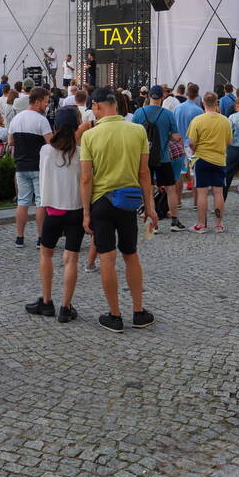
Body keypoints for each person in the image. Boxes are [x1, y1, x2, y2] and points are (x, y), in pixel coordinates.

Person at [80, 87, 158, 333]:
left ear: (98, 106)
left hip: (101, 201)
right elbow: (144, 173)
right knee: (131, 254)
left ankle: (114, 315)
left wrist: (85, 212)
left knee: (107, 257)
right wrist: (151, 206)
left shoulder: (90, 136)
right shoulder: (137, 130)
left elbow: (85, 178)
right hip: (128, 201)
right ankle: (138, 311)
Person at [27, 107, 86, 323]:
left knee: (46, 255)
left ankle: (47, 300)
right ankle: (65, 306)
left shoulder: (46, 150)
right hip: (76, 210)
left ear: (56, 126)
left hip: (53, 210)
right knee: (71, 259)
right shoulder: (81, 152)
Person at [132, 85, 185, 231]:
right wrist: (167, 135)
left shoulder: (139, 113)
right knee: (170, 189)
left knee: (148, 190)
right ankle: (174, 221)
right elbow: (175, 136)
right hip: (163, 157)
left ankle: (153, 224)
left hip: (145, 158)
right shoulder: (167, 114)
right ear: (162, 97)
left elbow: (133, 135)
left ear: (149, 96)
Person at [9, 87, 53, 247]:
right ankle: (41, 238)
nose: (47, 105)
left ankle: (19, 237)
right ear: (37, 101)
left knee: (23, 201)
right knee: (40, 202)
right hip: (38, 166)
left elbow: (10, 141)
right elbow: (51, 143)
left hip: (21, 165)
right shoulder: (41, 120)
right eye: (46, 102)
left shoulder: (16, 119)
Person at [187, 92, 232, 232]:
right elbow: (230, 141)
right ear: (217, 102)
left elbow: (191, 142)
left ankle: (201, 224)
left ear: (203, 103)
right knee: (218, 192)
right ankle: (219, 224)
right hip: (219, 159)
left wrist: (195, 150)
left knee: (202, 193)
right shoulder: (225, 120)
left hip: (201, 158)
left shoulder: (198, 120)